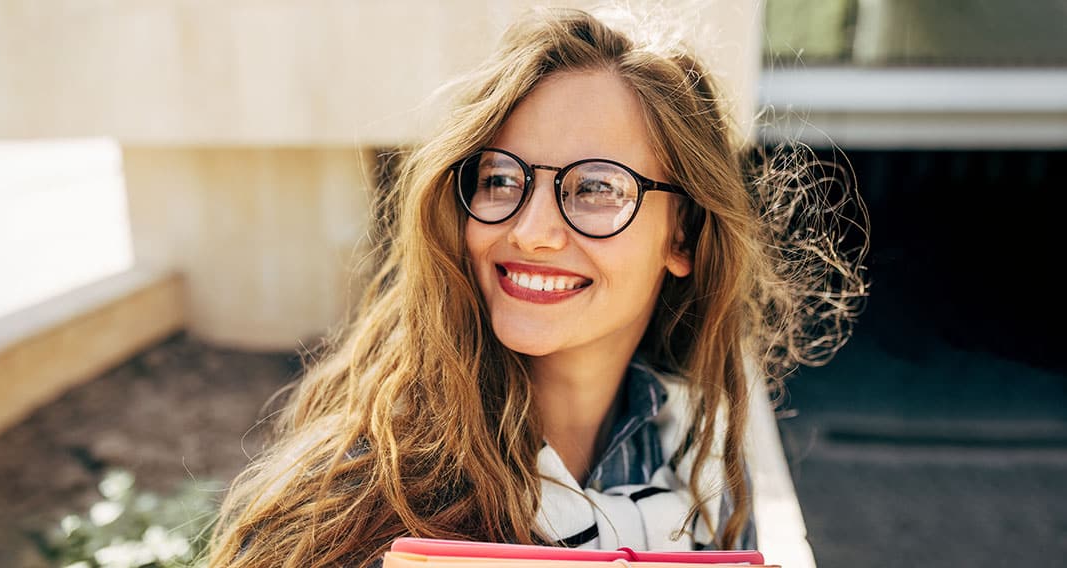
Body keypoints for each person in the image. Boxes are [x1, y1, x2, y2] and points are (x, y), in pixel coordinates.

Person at [204, 6, 867, 567]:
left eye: (597, 187)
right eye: (501, 179)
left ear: (682, 237)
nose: (532, 231)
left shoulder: (698, 462)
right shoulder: (359, 493)